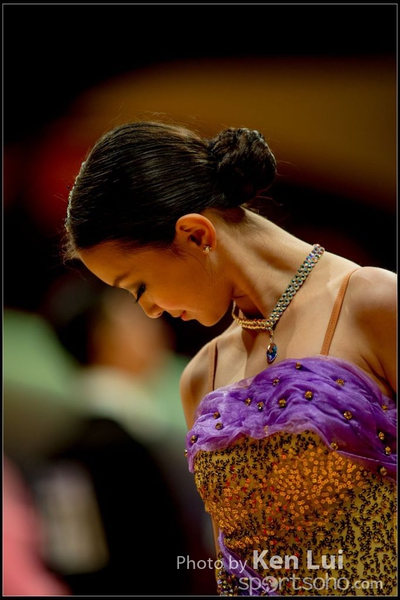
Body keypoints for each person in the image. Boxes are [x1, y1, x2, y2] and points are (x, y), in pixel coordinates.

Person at [62, 120, 397, 596]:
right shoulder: (202, 378)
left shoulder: (374, 303)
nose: (149, 309)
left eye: (138, 286)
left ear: (196, 235)